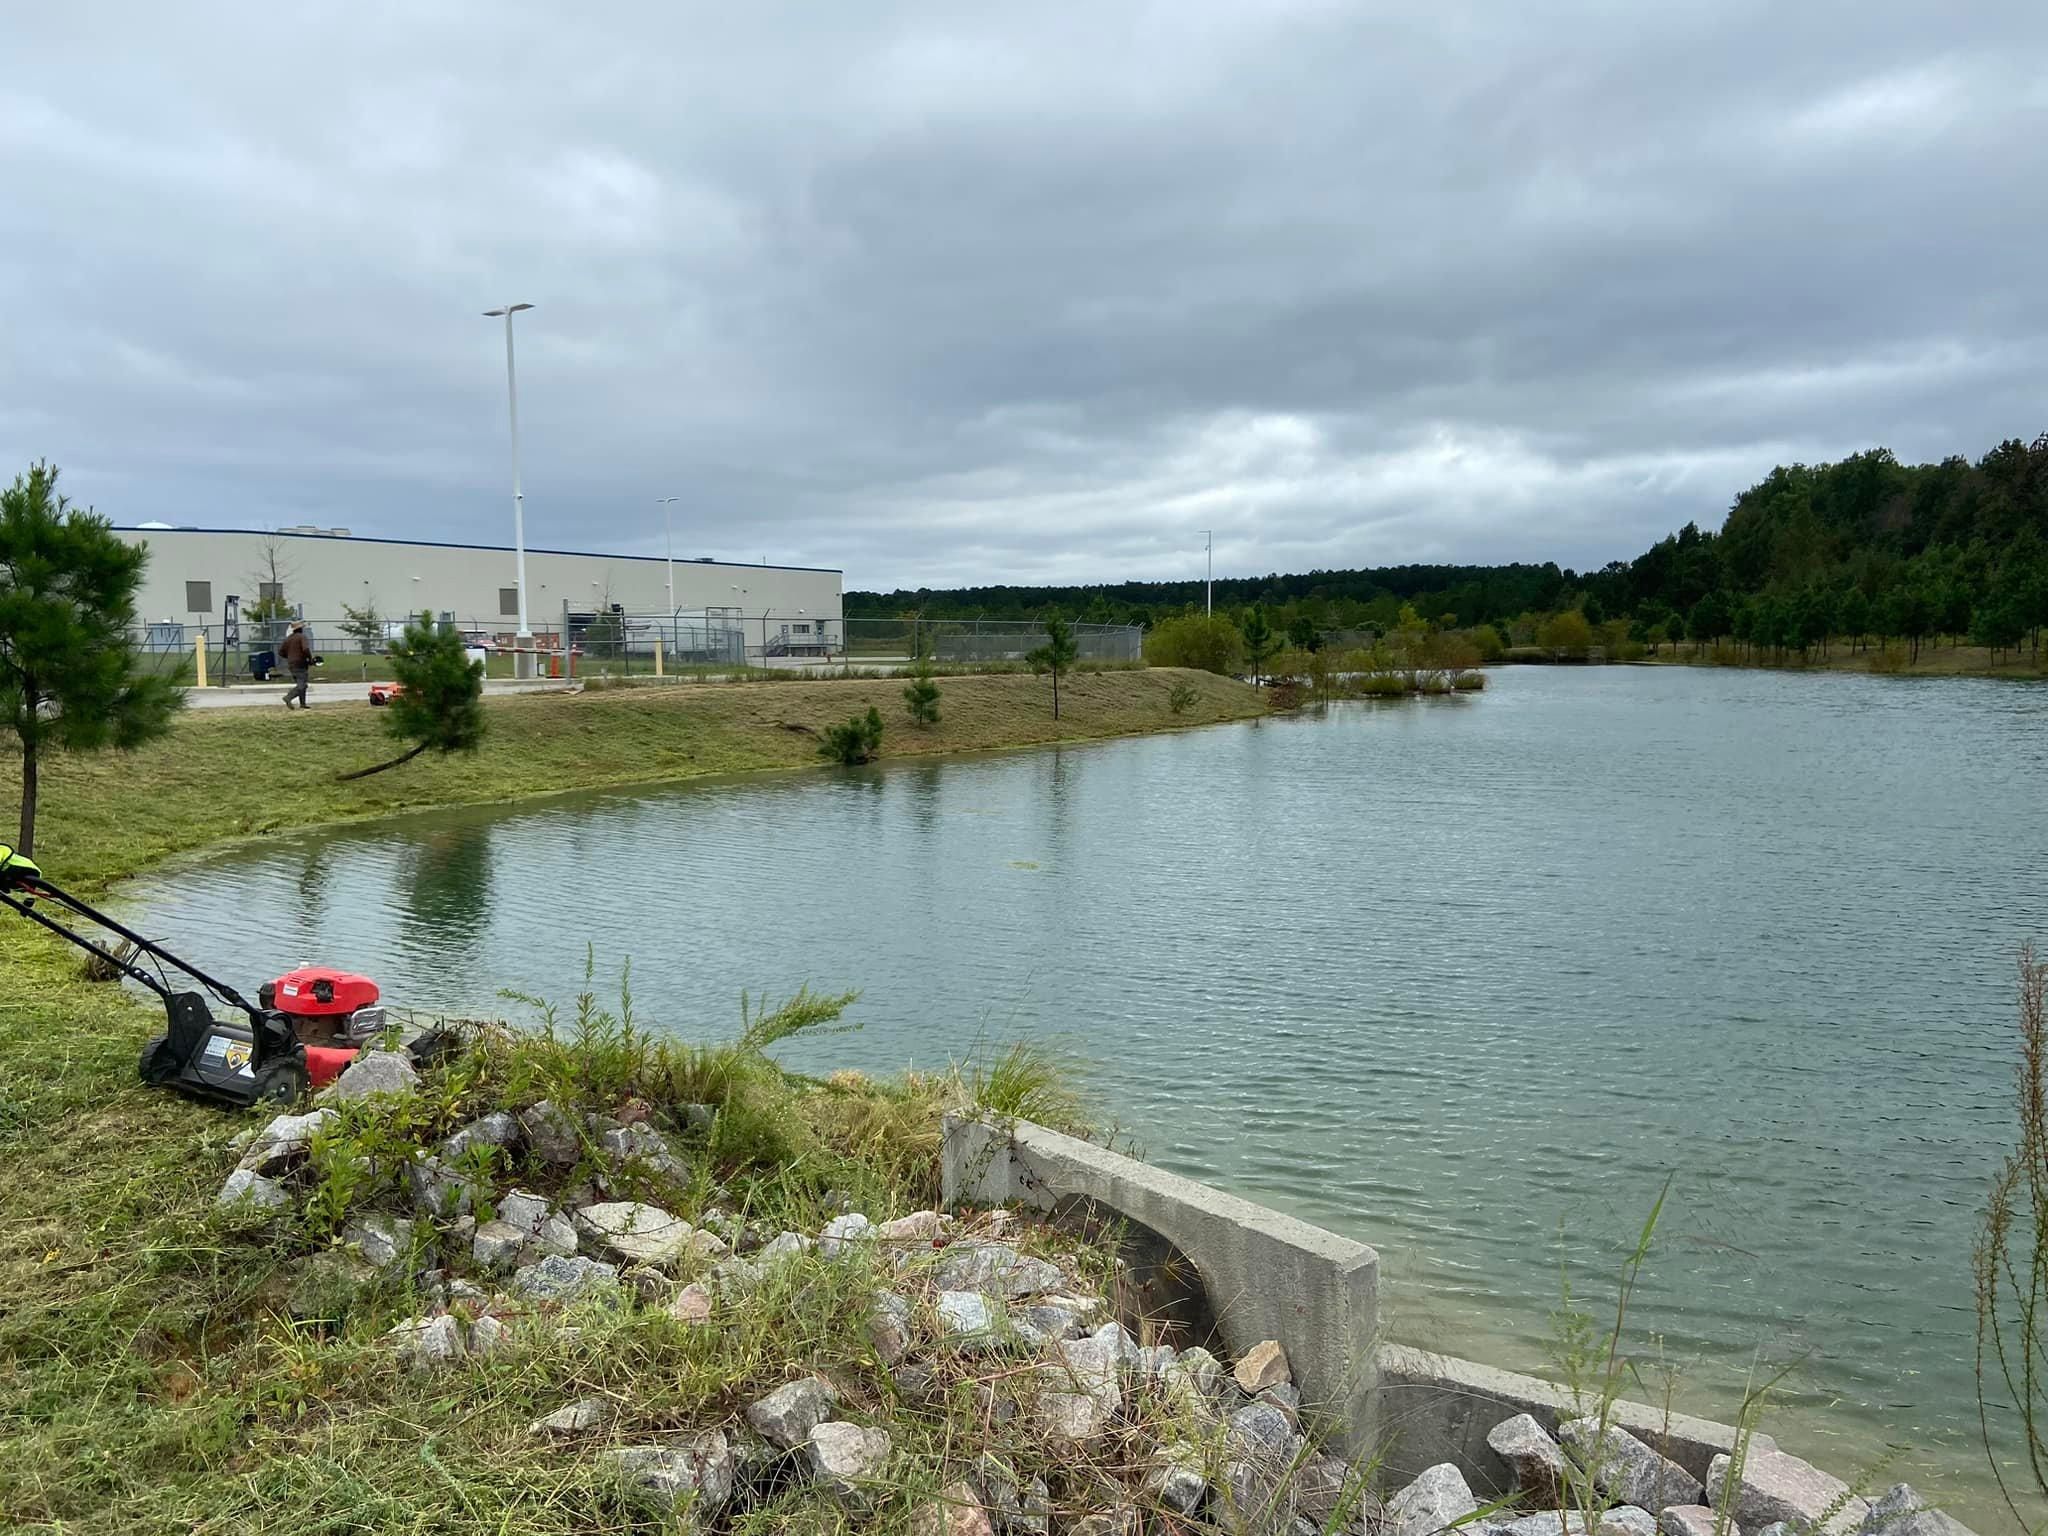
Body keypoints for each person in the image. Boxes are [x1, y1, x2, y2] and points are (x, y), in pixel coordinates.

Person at [280, 622, 315, 710]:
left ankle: (303, 704)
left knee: (301, 683)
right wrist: (310, 659)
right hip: (300, 663)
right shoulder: (302, 637)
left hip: (291, 664)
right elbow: (306, 649)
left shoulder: (288, 639)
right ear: (300, 629)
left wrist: (289, 657)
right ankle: (288, 697)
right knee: (302, 685)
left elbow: (281, 652)